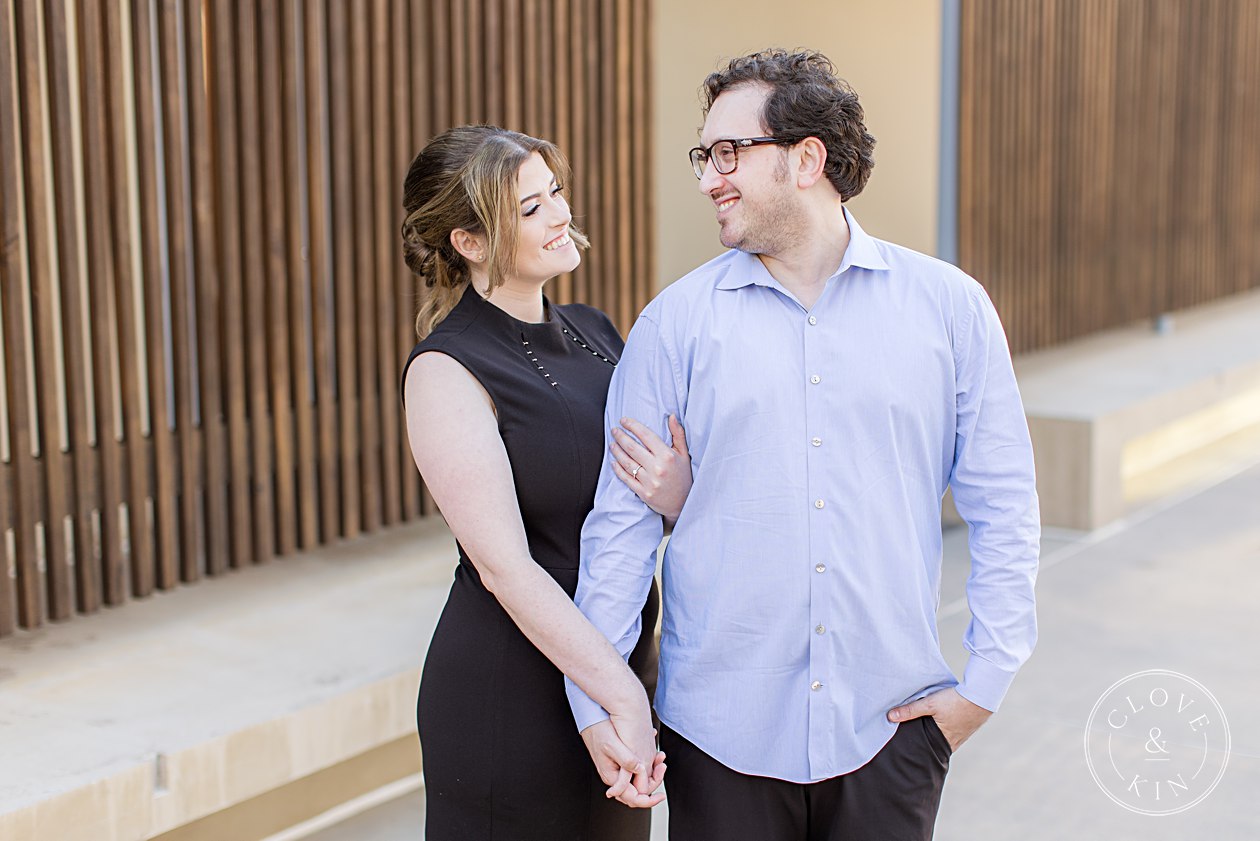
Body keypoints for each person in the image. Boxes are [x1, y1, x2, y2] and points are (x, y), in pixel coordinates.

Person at [566, 49, 1041, 840]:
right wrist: (602, 704)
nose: (710, 176)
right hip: (717, 737)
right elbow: (618, 532)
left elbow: (1005, 504)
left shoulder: (949, 308)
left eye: (730, 153)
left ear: (806, 158)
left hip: (890, 732)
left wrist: (983, 686)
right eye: (704, 155)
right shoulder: (673, 325)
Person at [399, 125, 685, 840]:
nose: (560, 214)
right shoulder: (445, 368)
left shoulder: (597, 331)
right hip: (512, 692)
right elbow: (505, 567)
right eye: (529, 209)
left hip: (613, 663)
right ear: (468, 241)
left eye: (553, 192)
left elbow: (641, 500)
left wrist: (677, 493)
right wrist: (617, 690)